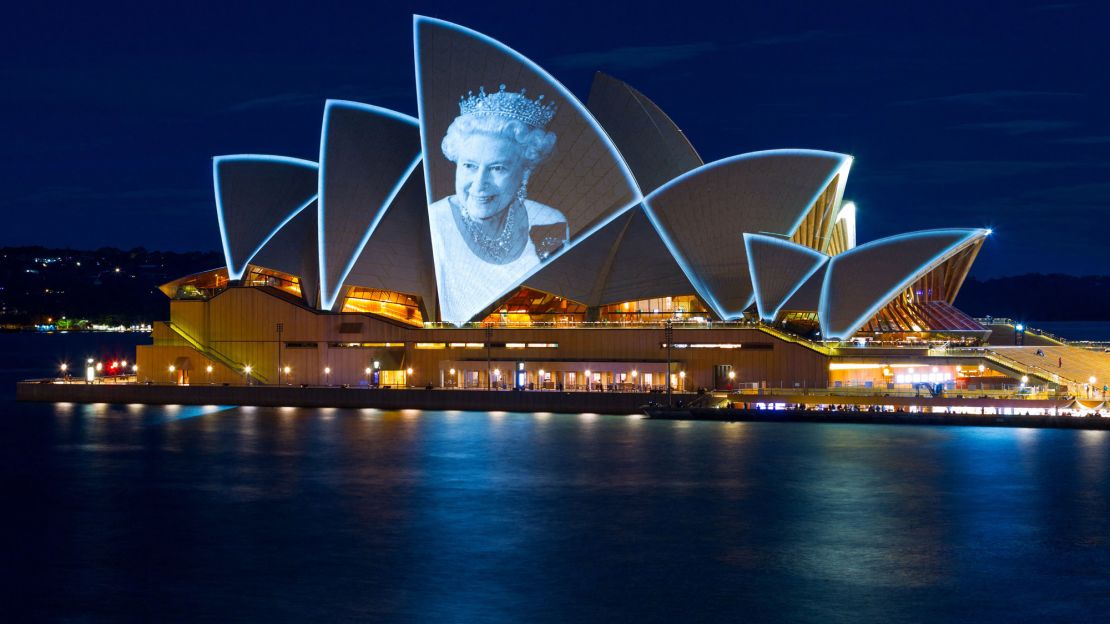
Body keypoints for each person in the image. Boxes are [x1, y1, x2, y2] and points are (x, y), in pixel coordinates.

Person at [429, 85, 568, 323]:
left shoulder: (550, 221)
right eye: (469, 166)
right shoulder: (434, 223)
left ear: (524, 172)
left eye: (497, 168)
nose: (479, 183)